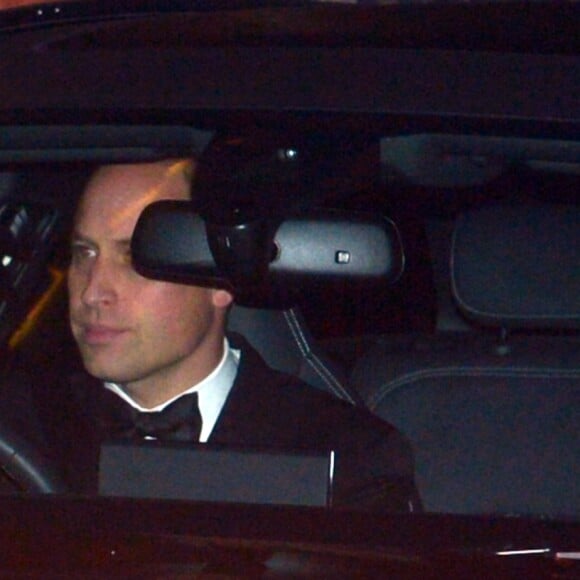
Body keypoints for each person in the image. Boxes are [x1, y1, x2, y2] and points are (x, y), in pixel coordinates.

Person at [45, 157, 421, 512]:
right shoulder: (24, 427)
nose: (92, 292)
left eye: (133, 258)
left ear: (220, 278)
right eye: (83, 253)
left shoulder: (347, 456)